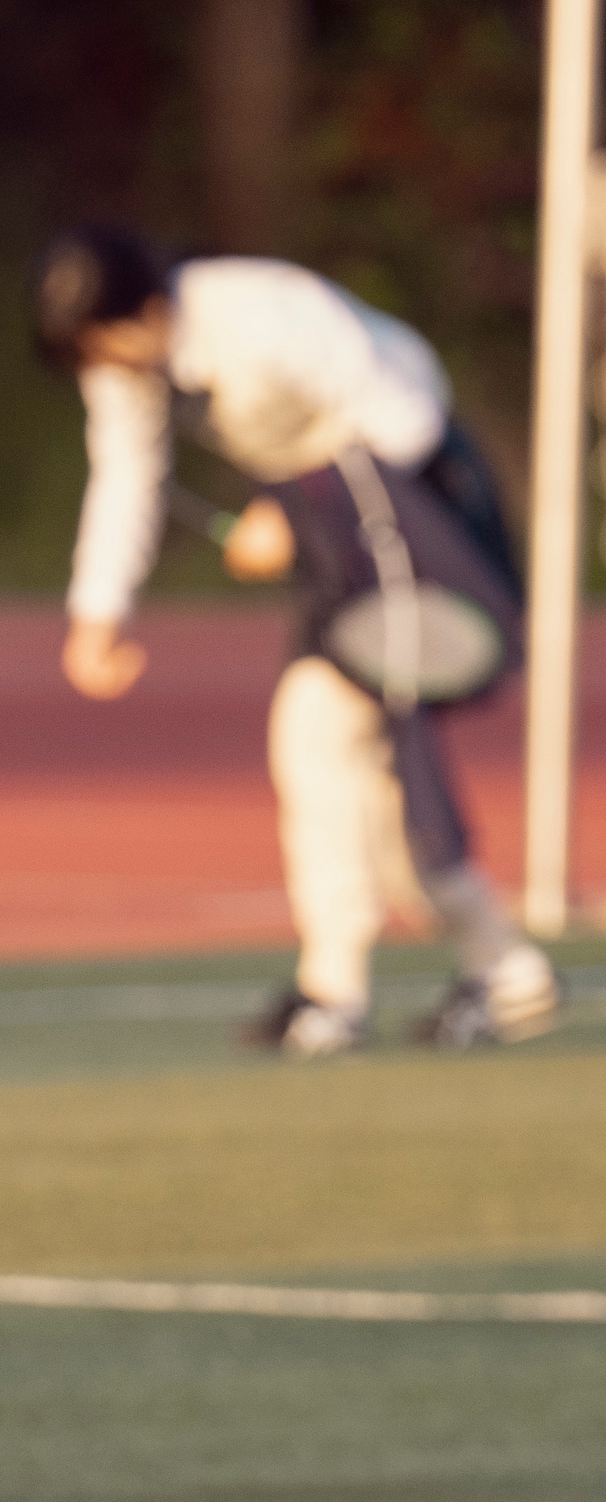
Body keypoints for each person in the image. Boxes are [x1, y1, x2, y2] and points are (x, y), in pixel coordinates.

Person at [36, 222, 565, 1056]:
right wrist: (99, 613)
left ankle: (482, 972)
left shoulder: (260, 314)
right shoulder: (131, 372)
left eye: (100, 341)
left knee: (391, 744)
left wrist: (297, 510)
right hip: (334, 535)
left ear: (141, 308)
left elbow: (406, 420)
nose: (98, 367)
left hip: (407, 513)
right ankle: (373, 984)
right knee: (314, 737)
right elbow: (127, 475)